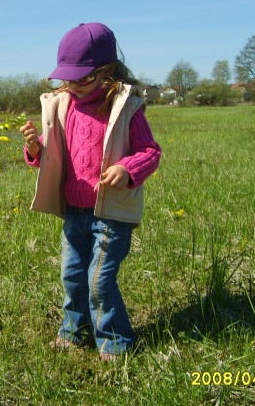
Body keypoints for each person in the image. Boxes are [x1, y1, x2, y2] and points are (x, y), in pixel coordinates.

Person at [20, 22, 161, 362]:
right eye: (67, 80)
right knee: (72, 276)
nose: (73, 86)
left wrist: (127, 169)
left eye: (82, 79)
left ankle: (115, 342)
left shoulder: (126, 108)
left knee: (99, 282)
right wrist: (35, 150)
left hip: (110, 215)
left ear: (107, 71)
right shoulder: (63, 106)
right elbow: (54, 152)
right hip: (74, 212)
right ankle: (74, 331)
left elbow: (150, 152)